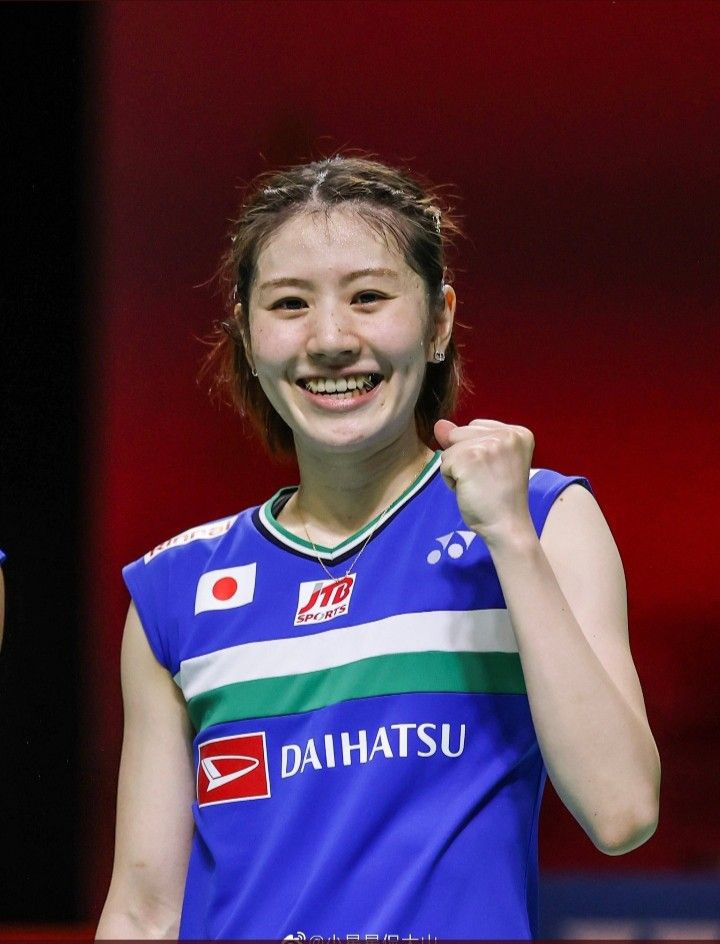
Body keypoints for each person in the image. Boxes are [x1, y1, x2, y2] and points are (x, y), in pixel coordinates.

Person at [97, 156, 659, 940]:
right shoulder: (175, 593)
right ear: (248, 337)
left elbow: (622, 809)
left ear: (438, 320)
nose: (330, 339)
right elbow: (143, 911)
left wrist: (508, 539)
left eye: (369, 297)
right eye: (289, 304)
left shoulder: (541, 521)